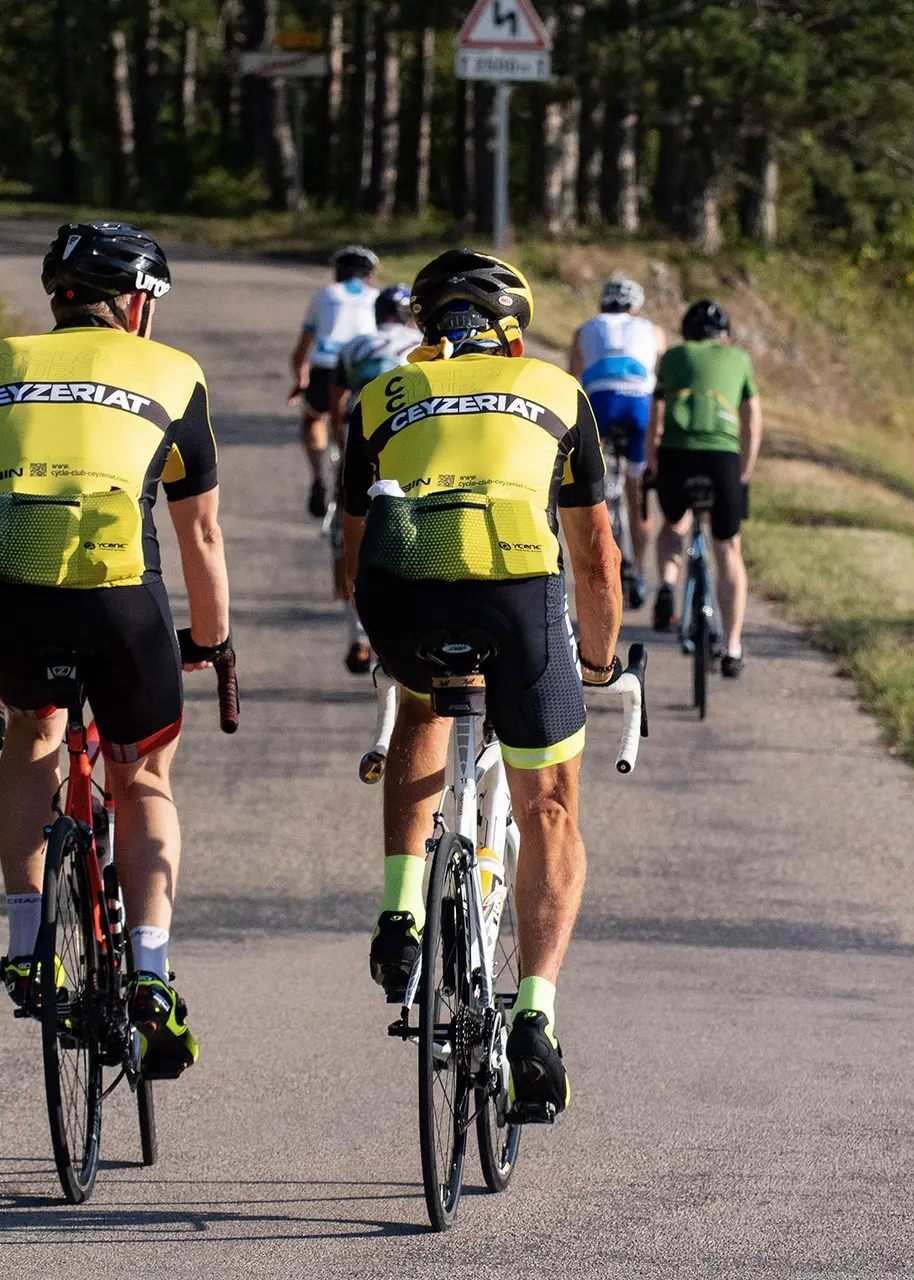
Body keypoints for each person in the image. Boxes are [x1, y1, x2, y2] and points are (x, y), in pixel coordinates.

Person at [339, 249, 623, 1123]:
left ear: (425, 328)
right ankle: (533, 1019)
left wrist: (376, 631)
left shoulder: (380, 396)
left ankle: (399, 913)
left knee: (425, 698)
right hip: (515, 591)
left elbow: (350, 553)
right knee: (551, 807)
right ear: (515, 329)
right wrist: (601, 664)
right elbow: (597, 561)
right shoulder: (557, 390)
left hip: (402, 588)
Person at [0, 221, 232, 1078]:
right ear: (136, 303)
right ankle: (149, 972)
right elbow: (202, 535)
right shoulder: (174, 372)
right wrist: (212, 644)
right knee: (141, 773)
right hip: (116, 603)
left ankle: (29, 942)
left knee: (37, 725)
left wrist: (5, 651)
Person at [645, 298, 760, 679]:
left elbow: (656, 415)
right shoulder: (739, 358)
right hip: (722, 459)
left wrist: (653, 463)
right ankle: (732, 647)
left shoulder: (673, 357)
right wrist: (743, 473)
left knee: (673, 523)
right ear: (724, 336)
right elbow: (752, 421)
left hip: (677, 456)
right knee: (728, 546)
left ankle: (666, 584)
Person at [330, 284, 422, 674]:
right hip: (408, 446)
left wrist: (342, 452)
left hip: (360, 437)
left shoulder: (354, 345)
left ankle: (358, 635)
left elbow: (337, 404)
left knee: (348, 532)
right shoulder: (422, 343)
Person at [568, 272, 663, 608]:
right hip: (639, 406)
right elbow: (660, 380)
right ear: (635, 309)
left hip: (600, 405)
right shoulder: (653, 330)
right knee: (639, 495)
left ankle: (601, 563)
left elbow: (573, 383)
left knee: (596, 489)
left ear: (602, 305)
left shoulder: (584, 329)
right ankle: (639, 574)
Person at [290, 245, 380, 519]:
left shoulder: (325, 295)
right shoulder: (377, 297)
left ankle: (318, 475)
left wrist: (301, 380)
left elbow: (302, 351)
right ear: (369, 275)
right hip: (365, 369)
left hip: (326, 367)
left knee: (314, 418)